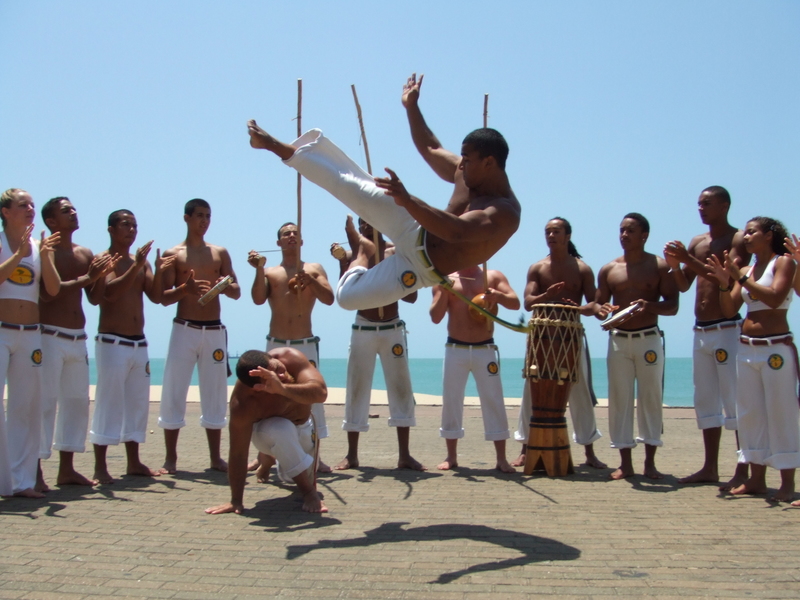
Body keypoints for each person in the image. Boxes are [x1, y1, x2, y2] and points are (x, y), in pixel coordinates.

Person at [246, 75, 520, 312]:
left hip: (421, 270)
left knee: (346, 298)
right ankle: (271, 144)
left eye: (468, 159)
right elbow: (431, 148)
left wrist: (409, 200)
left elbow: (457, 232)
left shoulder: (505, 212)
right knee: (346, 184)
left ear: (489, 163)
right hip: (413, 225)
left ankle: (367, 254)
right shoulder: (466, 170)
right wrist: (411, 107)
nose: (461, 164)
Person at [663, 186, 751, 488]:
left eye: (707, 203)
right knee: (705, 400)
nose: (701, 208)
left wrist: (689, 258)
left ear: (725, 205)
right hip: (700, 331)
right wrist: (677, 266)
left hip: (727, 327)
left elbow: (728, 279)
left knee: (735, 401)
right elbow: (685, 285)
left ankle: (744, 467)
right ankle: (709, 467)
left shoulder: (737, 239)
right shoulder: (697, 242)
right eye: (699, 203)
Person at [707, 216, 798, 503]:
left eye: (751, 232)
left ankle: (786, 481)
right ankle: (756, 479)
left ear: (768, 235)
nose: (745, 237)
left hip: (775, 350)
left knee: (781, 412)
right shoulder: (746, 268)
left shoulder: (783, 263)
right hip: (746, 348)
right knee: (750, 414)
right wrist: (725, 283)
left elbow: (774, 297)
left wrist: (741, 277)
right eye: (745, 233)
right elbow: (730, 307)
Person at [511, 217, 614, 470]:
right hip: (541, 338)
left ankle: (589, 452)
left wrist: (596, 310)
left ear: (567, 235)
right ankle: (525, 448)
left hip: (571, 336)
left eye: (556, 231)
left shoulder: (582, 269)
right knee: (531, 391)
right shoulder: (537, 267)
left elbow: (594, 303)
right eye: (547, 231)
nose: (551, 235)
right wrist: (548, 295)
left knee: (580, 394)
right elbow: (528, 302)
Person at [331, 216, 424, 471]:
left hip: (393, 328)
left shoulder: (396, 252)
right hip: (364, 327)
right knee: (356, 389)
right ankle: (352, 455)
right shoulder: (354, 256)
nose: (367, 226)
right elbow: (345, 292)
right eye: (363, 224)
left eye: (371, 220)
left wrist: (399, 269)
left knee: (401, 388)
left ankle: (404, 455)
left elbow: (412, 296)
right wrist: (343, 262)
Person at [37, 197, 116, 491]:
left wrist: (101, 275)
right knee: (45, 404)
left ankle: (66, 469)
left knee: (76, 403)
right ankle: (35, 470)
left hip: (77, 338)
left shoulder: (84, 253)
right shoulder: (43, 253)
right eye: (66, 211)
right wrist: (90, 276)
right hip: (48, 336)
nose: (73, 213)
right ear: (51, 221)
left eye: (73, 209)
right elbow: (49, 294)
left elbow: (95, 297)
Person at [88, 209, 172, 483]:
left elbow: (157, 296)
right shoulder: (104, 260)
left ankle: (133, 462)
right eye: (126, 225)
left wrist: (159, 270)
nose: (132, 230)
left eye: (134, 225)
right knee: (108, 403)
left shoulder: (142, 262)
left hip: (139, 343)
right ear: (111, 229)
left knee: (137, 404)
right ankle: (100, 466)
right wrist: (136, 265)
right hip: (113, 341)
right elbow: (107, 294)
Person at [158, 199, 240, 474]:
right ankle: (171, 458)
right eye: (199, 216)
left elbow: (236, 289)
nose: (204, 221)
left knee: (215, 392)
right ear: (187, 218)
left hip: (214, 330)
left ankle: (215, 458)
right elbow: (164, 298)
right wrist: (186, 289)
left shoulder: (220, 253)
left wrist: (223, 286)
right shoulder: (174, 253)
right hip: (184, 328)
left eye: (208, 216)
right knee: (174, 390)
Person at [596, 213, 679, 480]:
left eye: (630, 231)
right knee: (619, 399)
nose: (624, 235)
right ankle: (625, 463)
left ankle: (650, 462)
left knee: (650, 398)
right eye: (621, 230)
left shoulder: (659, 266)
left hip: (649, 340)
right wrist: (602, 309)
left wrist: (648, 305)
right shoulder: (609, 269)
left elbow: (673, 305)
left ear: (644, 235)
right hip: (619, 340)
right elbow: (599, 305)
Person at [247, 222, 334, 477]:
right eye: (286, 234)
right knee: (270, 398)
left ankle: (315, 455)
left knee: (312, 399)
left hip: (304, 343)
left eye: (296, 233)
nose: (292, 236)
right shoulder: (271, 272)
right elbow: (258, 298)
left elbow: (329, 298)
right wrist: (259, 269)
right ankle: (265, 457)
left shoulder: (314, 268)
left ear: (302, 241)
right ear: (279, 243)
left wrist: (311, 282)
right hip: (276, 344)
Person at [205, 348, 328, 514]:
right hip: (268, 432)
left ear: (273, 358)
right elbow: (238, 453)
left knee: (291, 474)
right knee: (280, 429)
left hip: (304, 426)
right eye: (272, 378)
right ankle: (308, 493)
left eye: (277, 368)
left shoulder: (290, 357)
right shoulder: (244, 403)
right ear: (257, 387)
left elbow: (320, 393)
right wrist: (236, 501)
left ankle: (268, 459)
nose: (281, 376)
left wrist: (282, 388)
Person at [429, 264, 520, 472]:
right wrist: (443, 290)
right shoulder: (445, 278)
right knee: (451, 400)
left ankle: (501, 459)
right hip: (455, 348)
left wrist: (498, 296)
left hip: (485, 348)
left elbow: (515, 303)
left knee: (494, 399)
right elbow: (435, 317)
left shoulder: (493, 276)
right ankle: (451, 457)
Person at [0, 189, 60, 498]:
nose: (30, 209)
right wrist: (17, 254)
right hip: (2, 332)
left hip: (30, 334)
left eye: (32, 205)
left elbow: (52, 289)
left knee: (25, 408)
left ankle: (21, 482)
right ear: (6, 212)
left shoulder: (38, 248)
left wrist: (46, 257)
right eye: (23, 205)